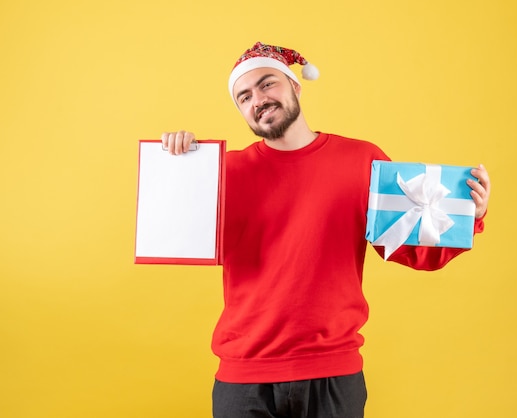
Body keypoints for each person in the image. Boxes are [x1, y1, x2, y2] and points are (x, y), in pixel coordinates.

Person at [161, 42, 491, 418]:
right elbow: (176, 231)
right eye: (245, 96)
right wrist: (177, 165)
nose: (259, 100)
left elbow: (415, 250)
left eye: (268, 84)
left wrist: (469, 214)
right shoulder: (222, 173)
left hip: (333, 374)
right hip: (244, 378)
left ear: (296, 86)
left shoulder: (362, 161)